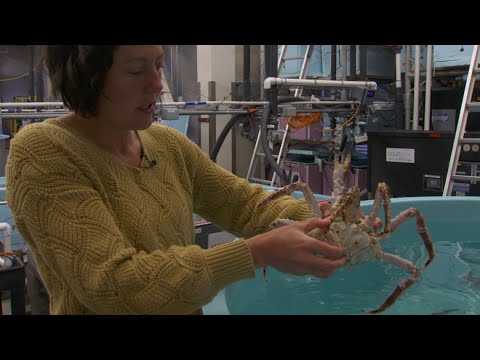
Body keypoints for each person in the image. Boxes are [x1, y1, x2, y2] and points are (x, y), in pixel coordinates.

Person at [5, 45, 347, 315]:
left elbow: (245, 204)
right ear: (86, 77)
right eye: (136, 70)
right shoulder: (43, 153)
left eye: (158, 65)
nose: (157, 84)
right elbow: (115, 285)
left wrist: (326, 222)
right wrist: (255, 253)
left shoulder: (166, 144)